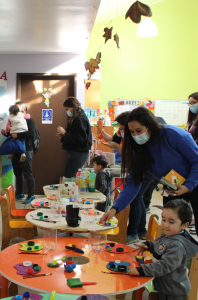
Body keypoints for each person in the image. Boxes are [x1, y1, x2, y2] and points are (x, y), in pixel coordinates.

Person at [101, 107, 198, 237]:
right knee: (171, 227)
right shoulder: (139, 149)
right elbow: (132, 184)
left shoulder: (174, 135)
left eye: (139, 130)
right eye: (132, 132)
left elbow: (196, 161)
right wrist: (114, 209)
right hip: (173, 185)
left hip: (194, 180)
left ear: (149, 126)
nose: (135, 135)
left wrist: (188, 186)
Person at [128, 200, 198, 300]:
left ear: (184, 225)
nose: (165, 225)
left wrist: (143, 270)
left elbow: (165, 265)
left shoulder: (177, 245)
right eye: (163, 219)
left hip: (173, 293)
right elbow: (162, 247)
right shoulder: (169, 235)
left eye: (171, 222)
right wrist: (150, 245)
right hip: (165, 287)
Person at [1, 101, 37, 204]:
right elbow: (13, 134)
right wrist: (5, 134)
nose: (15, 111)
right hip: (15, 149)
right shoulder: (14, 119)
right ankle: (20, 192)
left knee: (27, 173)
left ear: (23, 110)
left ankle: (31, 195)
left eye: (17, 109)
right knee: (17, 172)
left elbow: (31, 133)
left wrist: (18, 135)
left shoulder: (29, 120)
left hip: (26, 150)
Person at [57, 97, 92, 178]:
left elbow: (80, 139)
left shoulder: (80, 119)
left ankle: (70, 191)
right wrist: (63, 136)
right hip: (75, 152)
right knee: (70, 175)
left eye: (67, 109)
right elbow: (74, 135)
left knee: (69, 175)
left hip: (79, 152)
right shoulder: (76, 118)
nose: (67, 112)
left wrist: (65, 133)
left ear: (73, 107)